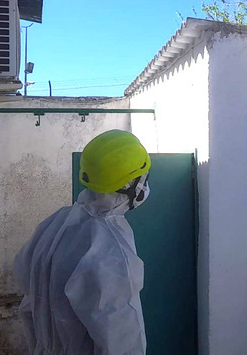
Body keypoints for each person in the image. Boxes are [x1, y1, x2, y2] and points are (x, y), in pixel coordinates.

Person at [14, 129, 152, 354]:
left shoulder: (55, 224)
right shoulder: (111, 251)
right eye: (144, 178)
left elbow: (28, 294)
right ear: (131, 185)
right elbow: (121, 341)